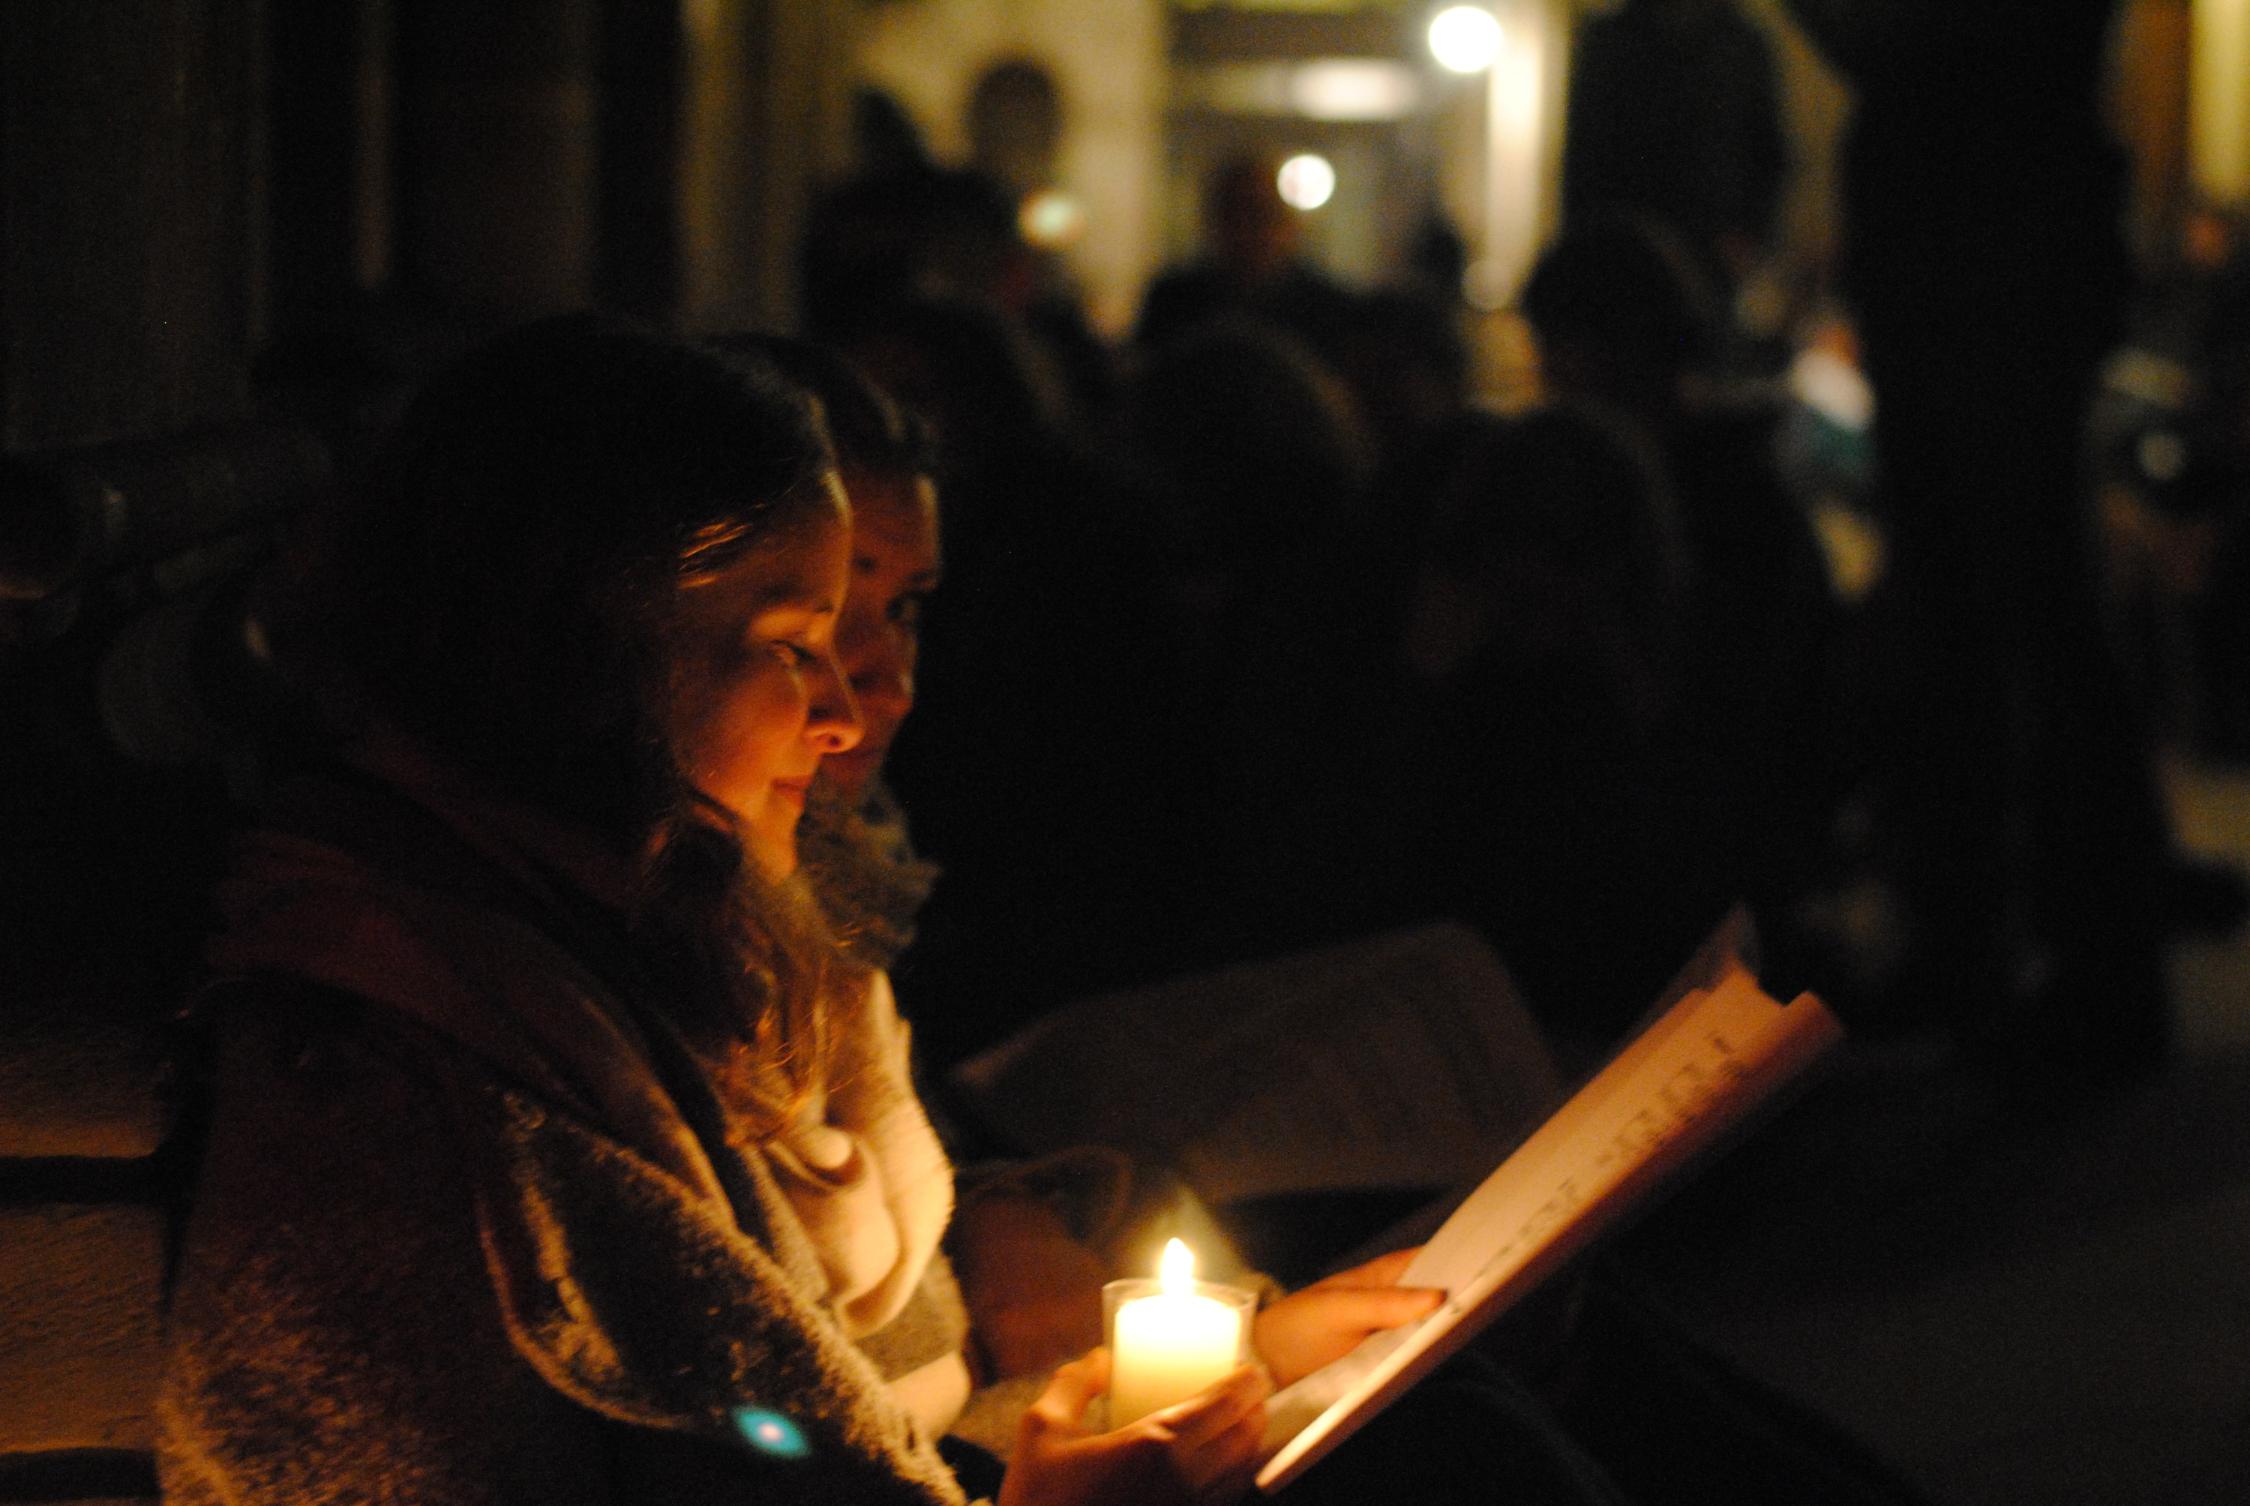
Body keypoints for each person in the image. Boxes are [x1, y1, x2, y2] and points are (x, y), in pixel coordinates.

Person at [157, 314, 1448, 1506]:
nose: (846, 710)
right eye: (793, 641)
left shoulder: (687, 958)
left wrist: (1216, 1380)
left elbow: (864, 1451)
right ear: (590, 654)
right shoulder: (389, 1082)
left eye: (884, 616)